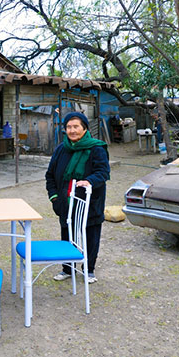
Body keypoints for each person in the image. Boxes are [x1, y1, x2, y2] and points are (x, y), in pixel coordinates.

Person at [46, 112, 110, 284]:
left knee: (91, 235)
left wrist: (89, 181)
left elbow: (103, 173)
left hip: (90, 202)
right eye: (69, 127)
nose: (72, 130)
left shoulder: (97, 148)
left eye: (76, 127)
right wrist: (54, 197)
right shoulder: (62, 149)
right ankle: (68, 268)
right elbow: (50, 175)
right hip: (65, 202)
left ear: (84, 128)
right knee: (67, 234)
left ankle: (88, 269)